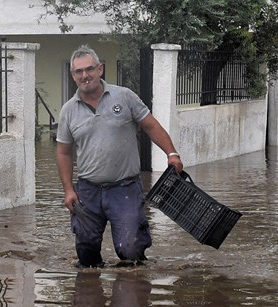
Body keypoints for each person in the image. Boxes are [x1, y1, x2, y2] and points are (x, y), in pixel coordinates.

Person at [55, 45, 184, 268]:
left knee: (130, 251)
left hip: (124, 188)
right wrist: (68, 190)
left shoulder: (124, 97)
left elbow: (151, 126)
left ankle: (133, 285)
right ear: (73, 75)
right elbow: (63, 152)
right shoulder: (68, 110)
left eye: (90, 69)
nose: (85, 76)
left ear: (100, 69)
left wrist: (171, 153)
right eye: (79, 72)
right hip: (88, 191)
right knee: (86, 256)